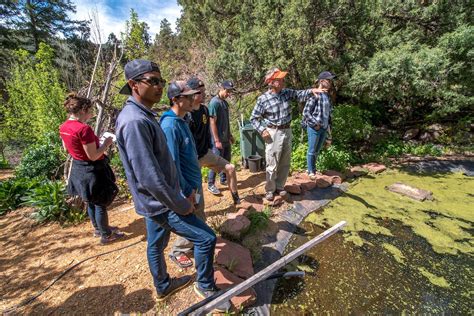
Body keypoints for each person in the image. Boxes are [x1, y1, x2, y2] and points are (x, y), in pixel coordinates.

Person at [115, 59, 230, 312]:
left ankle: (163, 285)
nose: (159, 86)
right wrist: (180, 202)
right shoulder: (135, 121)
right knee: (206, 237)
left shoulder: (144, 115)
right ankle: (206, 286)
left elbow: (162, 164)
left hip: (156, 200)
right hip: (161, 202)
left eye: (161, 81)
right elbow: (148, 176)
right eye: (152, 81)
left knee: (156, 244)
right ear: (134, 85)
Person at [250, 67, 327, 201]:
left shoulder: (286, 93)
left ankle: (280, 187)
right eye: (280, 79)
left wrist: (312, 91)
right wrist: (262, 130)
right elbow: (254, 118)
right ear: (272, 82)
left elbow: (299, 94)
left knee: (285, 163)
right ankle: (270, 190)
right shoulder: (263, 99)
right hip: (273, 132)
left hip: (287, 131)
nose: (283, 80)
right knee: (272, 163)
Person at [59, 93, 124, 245]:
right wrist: (106, 143)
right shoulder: (84, 129)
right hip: (92, 170)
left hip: (78, 167)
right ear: (82, 110)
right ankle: (106, 234)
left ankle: (98, 228)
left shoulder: (64, 127)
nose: (91, 113)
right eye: (89, 110)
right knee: (100, 202)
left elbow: (65, 147)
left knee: (90, 200)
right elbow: (93, 155)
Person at [159, 80, 205, 269]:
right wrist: (186, 190)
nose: (194, 98)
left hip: (194, 184)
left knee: (200, 217)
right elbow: (172, 164)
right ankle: (178, 251)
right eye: (188, 97)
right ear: (176, 100)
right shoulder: (169, 126)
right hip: (187, 188)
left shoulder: (183, 120)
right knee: (191, 220)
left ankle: (195, 245)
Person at [186, 77, 241, 205]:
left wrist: (212, 145)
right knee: (196, 188)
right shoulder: (186, 114)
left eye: (204, 91)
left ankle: (237, 201)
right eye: (201, 92)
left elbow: (206, 132)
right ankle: (196, 208)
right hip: (192, 158)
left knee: (231, 168)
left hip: (205, 153)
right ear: (191, 93)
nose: (204, 94)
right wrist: (217, 141)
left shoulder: (204, 110)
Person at [302, 71, 337, 179]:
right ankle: (310, 171)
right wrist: (315, 124)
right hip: (314, 128)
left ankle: (313, 169)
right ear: (321, 81)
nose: (330, 82)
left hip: (324, 128)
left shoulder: (327, 96)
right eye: (328, 80)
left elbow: (329, 115)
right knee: (312, 150)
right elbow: (306, 112)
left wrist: (329, 132)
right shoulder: (315, 94)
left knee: (317, 150)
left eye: (331, 80)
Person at [207, 80, 235, 196]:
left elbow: (226, 122)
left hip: (226, 138)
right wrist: (217, 140)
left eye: (230, 92)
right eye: (227, 91)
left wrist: (230, 135)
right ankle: (210, 184)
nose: (229, 94)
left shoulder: (224, 103)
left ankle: (223, 179)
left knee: (226, 160)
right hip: (217, 140)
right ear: (222, 88)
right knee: (215, 162)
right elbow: (212, 122)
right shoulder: (214, 102)